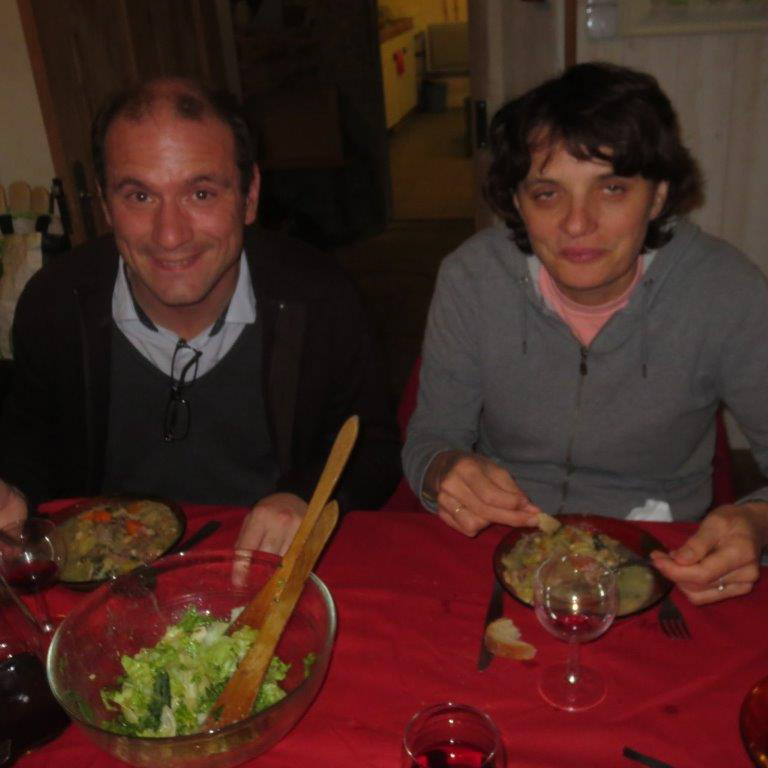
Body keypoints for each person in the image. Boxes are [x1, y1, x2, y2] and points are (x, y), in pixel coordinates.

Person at [402, 62, 768, 605]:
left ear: (658, 196)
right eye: (547, 194)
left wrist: (756, 521)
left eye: (612, 189)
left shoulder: (726, 291)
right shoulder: (471, 278)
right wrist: (443, 471)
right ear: (517, 202)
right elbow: (429, 439)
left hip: (661, 555)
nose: (577, 224)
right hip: (502, 545)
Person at [0, 77, 400, 554]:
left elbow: (372, 446)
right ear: (106, 204)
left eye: (202, 193)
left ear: (250, 196)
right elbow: (31, 439)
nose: (170, 236)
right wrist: (16, 492)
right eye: (140, 196)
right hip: (107, 570)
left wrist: (304, 498)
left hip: (266, 563)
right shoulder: (53, 304)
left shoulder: (323, 298)